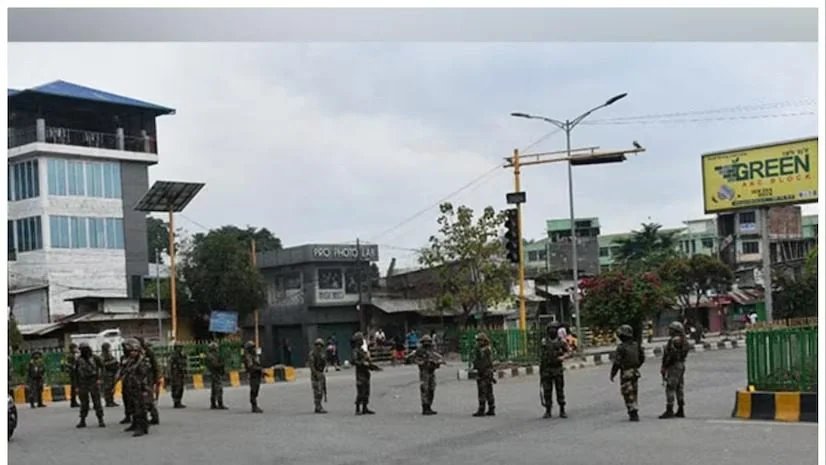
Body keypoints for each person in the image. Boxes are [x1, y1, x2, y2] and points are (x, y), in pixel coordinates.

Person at [610, 324, 645, 422]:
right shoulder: (636, 345)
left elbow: (617, 362)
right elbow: (642, 358)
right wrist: (636, 366)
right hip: (635, 371)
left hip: (626, 372)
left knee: (627, 392)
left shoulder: (621, 348)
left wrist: (613, 373)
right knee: (634, 391)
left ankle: (633, 412)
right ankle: (634, 409)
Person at [406, 334, 444, 415]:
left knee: (432, 389)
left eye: (429, 342)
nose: (427, 343)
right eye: (426, 342)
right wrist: (423, 362)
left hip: (431, 371)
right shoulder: (419, 350)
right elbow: (412, 358)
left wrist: (437, 363)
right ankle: (425, 407)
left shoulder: (432, 350)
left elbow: (438, 358)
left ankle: (429, 406)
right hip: (424, 372)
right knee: (424, 389)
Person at [122, 339, 153, 437]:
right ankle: (135, 424)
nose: (132, 353)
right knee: (133, 407)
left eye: (134, 351)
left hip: (141, 388)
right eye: (131, 351)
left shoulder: (142, 362)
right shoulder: (130, 361)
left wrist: (144, 389)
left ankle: (142, 427)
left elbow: (144, 376)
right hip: (132, 387)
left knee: (140, 408)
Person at [660, 321, 690, 419]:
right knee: (679, 387)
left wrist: (665, 366)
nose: (669, 331)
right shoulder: (684, 340)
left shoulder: (674, 341)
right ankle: (681, 409)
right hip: (681, 365)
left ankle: (669, 410)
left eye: (671, 329)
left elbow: (670, 355)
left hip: (674, 366)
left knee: (670, 387)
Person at [540, 322, 570, 419]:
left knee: (559, 390)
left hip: (557, 369)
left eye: (553, 329)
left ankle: (562, 409)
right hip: (546, 369)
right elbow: (542, 356)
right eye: (550, 329)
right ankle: (548, 410)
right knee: (547, 391)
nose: (552, 331)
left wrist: (563, 357)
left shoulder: (561, 342)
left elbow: (568, 352)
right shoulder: (544, 342)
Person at [74, 342, 105, 428]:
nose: (83, 351)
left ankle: (100, 420)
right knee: (84, 403)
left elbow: (102, 368)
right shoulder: (78, 360)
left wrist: (100, 379)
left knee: (97, 402)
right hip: (82, 382)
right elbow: (75, 373)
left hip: (93, 381)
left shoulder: (95, 358)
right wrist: (76, 386)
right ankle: (82, 420)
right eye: (81, 349)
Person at [351, 332, 381, 415]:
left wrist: (374, 367)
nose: (362, 341)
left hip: (366, 373)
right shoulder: (356, 351)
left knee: (366, 391)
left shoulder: (362, 351)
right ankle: (357, 408)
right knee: (361, 392)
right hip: (360, 374)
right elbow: (354, 361)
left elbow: (368, 362)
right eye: (360, 340)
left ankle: (365, 407)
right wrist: (363, 363)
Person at [471, 332, 495, 417]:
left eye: (480, 341)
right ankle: (491, 408)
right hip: (487, 373)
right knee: (489, 391)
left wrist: (478, 370)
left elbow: (482, 363)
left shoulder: (483, 351)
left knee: (483, 392)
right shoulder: (487, 349)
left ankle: (482, 409)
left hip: (484, 373)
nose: (478, 342)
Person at [137, 337, 160, 425]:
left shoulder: (148, 352)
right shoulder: (137, 353)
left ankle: (154, 416)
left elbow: (155, 365)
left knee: (148, 399)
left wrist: (157, 378)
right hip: (139, 379)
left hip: (148, 378)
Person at [115, 342, 133, 425]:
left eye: (126, 349)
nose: (124, 350)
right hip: (125, 381)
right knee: (126, 399)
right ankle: (128, 416)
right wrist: (117, 378)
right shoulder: (123, 358)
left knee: (134, 400)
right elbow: (120, 369)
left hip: (133, 381)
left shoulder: (134, 358)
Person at [243, 341, 264, 413]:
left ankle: (254, 405)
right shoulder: (248, 356)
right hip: (253, 375)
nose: (254, 349)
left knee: (256, 389)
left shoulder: (254, 355)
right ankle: (254, 406)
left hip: (257, 374)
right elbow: (251, 367)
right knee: (254, 390)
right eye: (252, 348)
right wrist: (259, 369)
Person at [206, 342, 227, 410]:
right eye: (216, 348)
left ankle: (213, 403)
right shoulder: (211, 356)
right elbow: (214, 365)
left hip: (215, 373)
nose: (217, 349)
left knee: (214, 389)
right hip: (215, 373)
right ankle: (219, 403)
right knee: (219, 388)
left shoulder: (214, 355)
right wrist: (221, 364)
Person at [309, 338, 328, 414]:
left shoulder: (322, 354)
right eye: (317, 345)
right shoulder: (312, 354)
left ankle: (319, 406)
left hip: (321, 373)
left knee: (321, 391)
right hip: (315, 374)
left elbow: (324, 364)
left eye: (320, 345)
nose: (319, 347)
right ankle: (318, 406)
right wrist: (315, 374)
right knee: (317, 391)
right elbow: (312, 365)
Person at [167, 341, 188, 408]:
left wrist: (186, 372)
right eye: (179, 347)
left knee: (181, 388)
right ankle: (176, 402)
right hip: (175, 374)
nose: (180, 348)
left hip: (181, 374)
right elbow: (169, 365)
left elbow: (185, 364)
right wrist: (169, 374)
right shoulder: (173, 355)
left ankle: (179, 401)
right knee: (176, 387)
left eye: (181, 347)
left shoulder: (182, 355)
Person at [100, 342, 120, 407]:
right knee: (107, 388)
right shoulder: (102, 355)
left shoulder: (109, 354)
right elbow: (103, 364)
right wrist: (112, 362)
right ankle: (108, 401)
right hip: (107, 374)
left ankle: (111, 400)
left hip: (112, 373)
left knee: (111, 387)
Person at [63, 343, 80, 408]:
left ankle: (74, 401)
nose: (76, 349)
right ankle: (73, 402)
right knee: (74, 387)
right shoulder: (71, 356)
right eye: (75, 348)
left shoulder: (73, 355)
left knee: (74, 387)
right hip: (73, 373)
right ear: (72, 349)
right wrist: (73, 366)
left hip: (74, 373)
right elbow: (67, 364)